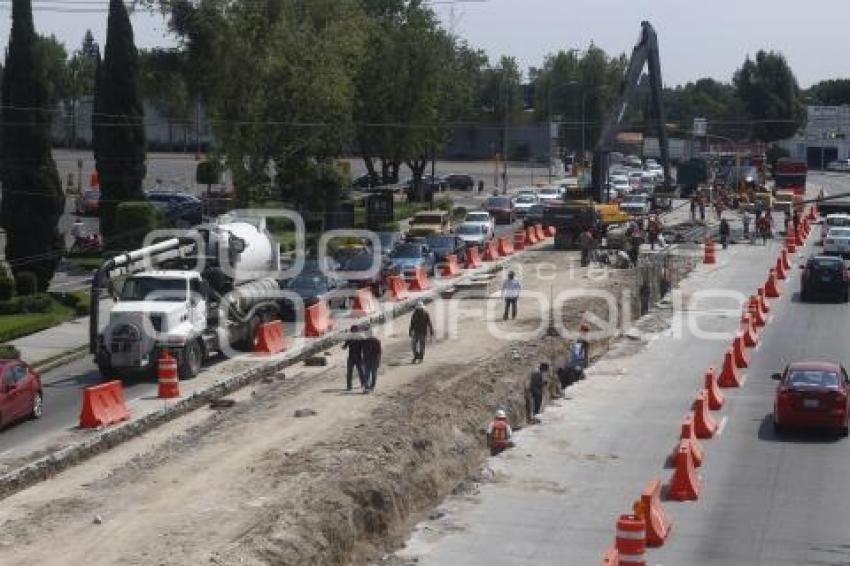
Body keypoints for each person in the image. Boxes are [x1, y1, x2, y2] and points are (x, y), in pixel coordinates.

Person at [341, 325, 365, 391]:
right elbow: (345, 346)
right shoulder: (359, 337)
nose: (354, 331)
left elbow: (344, 347)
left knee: (358, 372)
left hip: (355, 357)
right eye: (353, 330)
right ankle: (351, 386)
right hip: (354, 357)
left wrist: (343, 347)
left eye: (355, 330)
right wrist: (343, 347)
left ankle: (354, 386)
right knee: (354, 372)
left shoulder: (355, 337)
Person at [361, 327, 382, 392]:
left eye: (366, 333)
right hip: (374, 360)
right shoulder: (376, 341)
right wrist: (378, 361)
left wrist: (363, 360)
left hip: (367, 360)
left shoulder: (364, 341)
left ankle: (367, 387)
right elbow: (379, 352)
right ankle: (371, 387)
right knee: (373, 374)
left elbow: (363, 352)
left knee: (367, 374)